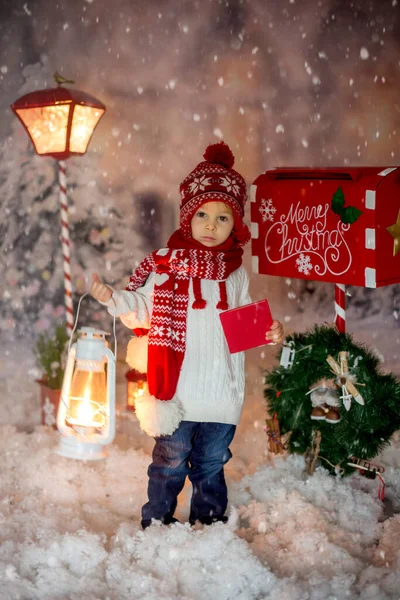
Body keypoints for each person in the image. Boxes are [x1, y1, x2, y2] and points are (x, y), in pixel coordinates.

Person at [90, 141, 284, 529]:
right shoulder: (166, 268)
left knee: (211, 463)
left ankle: (209, 523)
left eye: (223, 218)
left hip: (222, 394)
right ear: (187, 219)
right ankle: (158, 521)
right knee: (170, 461)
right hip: (178, 393)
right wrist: (115, 298)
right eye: (203, 215)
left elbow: (242, 324)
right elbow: (142, 309)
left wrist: (267, 330)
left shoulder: (236, 273)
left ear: (236, 225)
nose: (211, 225)